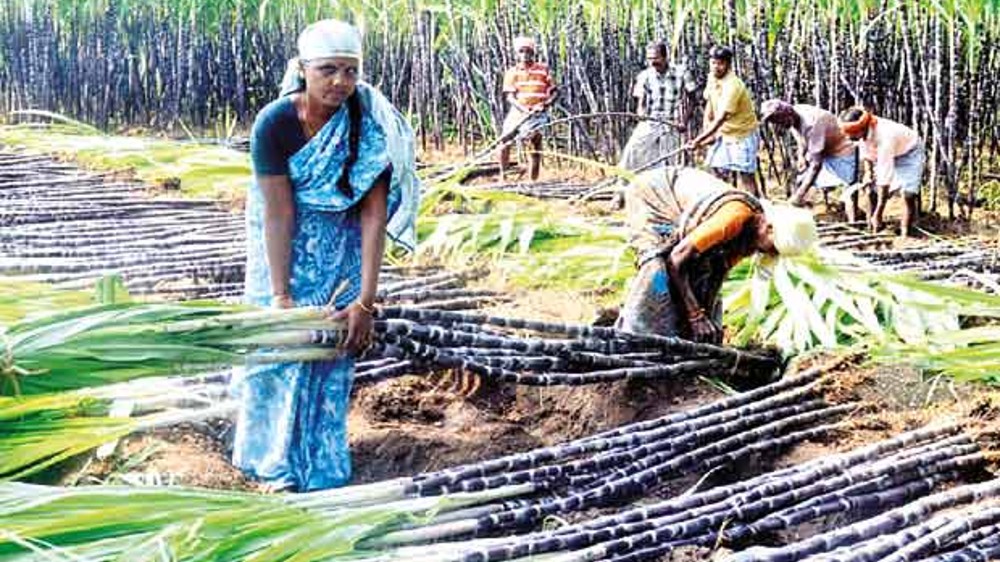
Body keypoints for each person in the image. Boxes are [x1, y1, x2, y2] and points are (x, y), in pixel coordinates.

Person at [234, 19, 419, 492]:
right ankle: (268, 465)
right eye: (328, 70)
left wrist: (365, 301)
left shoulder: (368, 124)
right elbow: (278, 213)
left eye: (350, 71)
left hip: (342, 257)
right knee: (277, 352)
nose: (340, 82)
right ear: (303, 70)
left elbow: (373, 218)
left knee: (329, 355)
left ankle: (320, 468)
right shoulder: (274, 123)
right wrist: (280, 295)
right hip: (282, 252)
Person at [617, 166, 816, 343]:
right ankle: (633, 336)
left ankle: (681, 338)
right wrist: (696, 316)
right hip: (654, 194)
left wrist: (709, 319)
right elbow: (677, 259)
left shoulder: (750, 238)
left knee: (703, 269)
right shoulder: (733, 218)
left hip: (678, 202)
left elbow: (717, 273)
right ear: (769, 228)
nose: (768, 253)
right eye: (773, 248)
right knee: (656, 268)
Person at [760, 100, 858, 215]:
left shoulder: (812, 123)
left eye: (777, 120)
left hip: (842, 153)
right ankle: (801, 212)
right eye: (774, 121)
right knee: (800, 179)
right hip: (823, 149)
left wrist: (799, 195)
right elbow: (801, 138)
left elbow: (816, 165)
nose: (777, 124)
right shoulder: (793, 115)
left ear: (787, 114)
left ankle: (854, 220)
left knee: (849, 192)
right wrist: (801, 156)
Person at [685, 46, 760, 197]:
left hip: (741, 135)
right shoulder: (712, 77)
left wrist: (699, 140)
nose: (716, 67)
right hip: (723, 133)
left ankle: (758, 210)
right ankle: (726, 203)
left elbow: (721, 118)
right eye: (713, 63)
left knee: (745, 175)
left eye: (720, 63)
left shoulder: (733, 85)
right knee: (716, 169)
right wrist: (707, 133)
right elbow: (710, 104)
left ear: (728, 64)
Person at [839, 107, 925, 237]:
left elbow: (885, 179)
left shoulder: (885, 137)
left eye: (851, 133)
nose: (848, 137)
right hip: (889, 151)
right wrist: (868, 173)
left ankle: (905, 233)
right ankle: (872, 228)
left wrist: (879, 212)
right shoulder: (863, 133)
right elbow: (865, 152)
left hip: (909, 152)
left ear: (861, 129)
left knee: (908, 194)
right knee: (870, 190)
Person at [618, 41, 698, 172]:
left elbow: (693, 99)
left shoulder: (681, 73)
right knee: (632, 151)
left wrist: (683, 120)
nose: (652, 62)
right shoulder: (645, 75)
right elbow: (640, 101)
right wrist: (641, 112)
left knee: (671, 161)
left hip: (672, 123)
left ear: (665, 57)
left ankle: (667, 189)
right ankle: (623, 184)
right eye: (649, 58)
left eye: (655, 58)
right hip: (651, 121)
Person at [499, 36, 558, 181]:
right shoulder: (512, 72)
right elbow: (510, 97)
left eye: (528, 51)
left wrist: (545, 105)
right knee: (504, 141)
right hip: (518, 112)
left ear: (533, 53)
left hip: (538, 113)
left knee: (534, 142)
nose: (525, 55)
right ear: (517, 54)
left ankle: (533, 181)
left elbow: (555, 92)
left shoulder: (543, 70)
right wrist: (523, 109)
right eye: (521, 51)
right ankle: (503, 176)